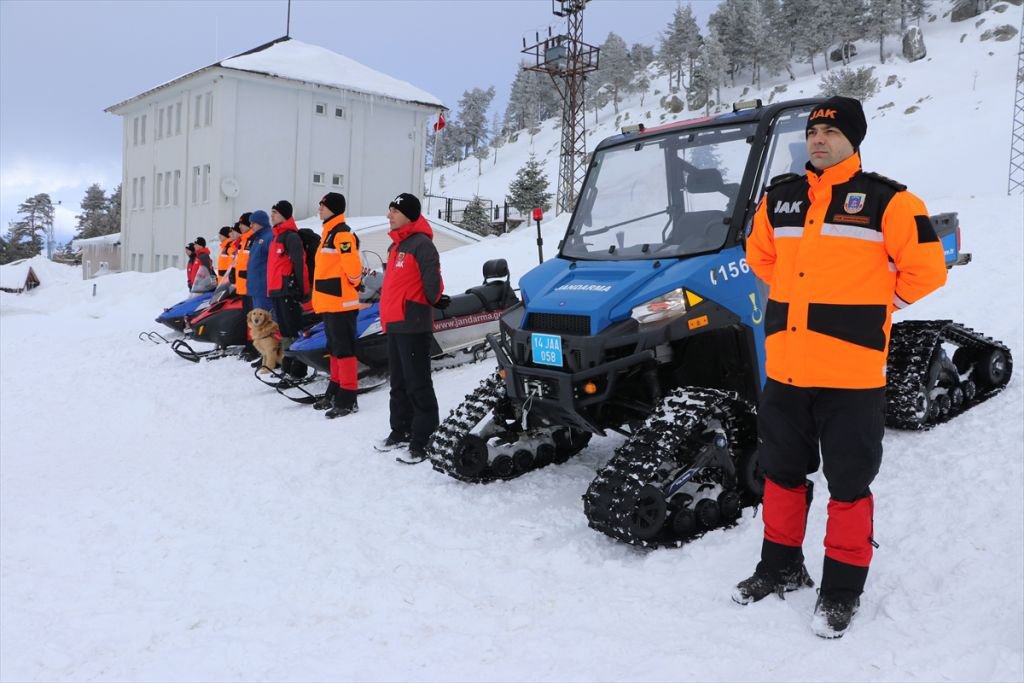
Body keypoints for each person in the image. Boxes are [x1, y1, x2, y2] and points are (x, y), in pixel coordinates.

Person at [736, 96, 948, 638]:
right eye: (813, 131)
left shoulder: (889, 202)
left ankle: (841, 591)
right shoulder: (780, 200)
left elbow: (927, 270)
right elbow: (759, 256)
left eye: (831, 131)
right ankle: (779, 567)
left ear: (853, 140)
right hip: (785, 370)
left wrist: (879, 306)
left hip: (850, 376)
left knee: (849, 485)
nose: (819, 139)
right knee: (782, 476)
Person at [379, 193, 444, 460]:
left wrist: (423, 302)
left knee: (418, 383)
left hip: (413, 324)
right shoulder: (396, 246)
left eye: (394, 210)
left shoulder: (422, 245)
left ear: (409, 214)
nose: (389, 215)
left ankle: (424, 438)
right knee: (398, 382)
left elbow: (434, 288)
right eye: (390, 209)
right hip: (394, 323)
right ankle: (401, 430)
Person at [311, 192, 363, 418]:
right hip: (329, 302)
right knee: (334, 348)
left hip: (341, 302)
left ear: (334, 208)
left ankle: (348, 397)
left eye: (324, 205)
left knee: (344, 349)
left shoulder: (341, 234)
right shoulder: (329, 233)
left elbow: (352, 266)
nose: (320, 208)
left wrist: (354, 282)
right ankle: (335, 387)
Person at [266, 200, 310, 380]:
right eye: (272, 212)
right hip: (277, 291)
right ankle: (287, 365)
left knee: (294, 330)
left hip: (288, 291)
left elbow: (300, 265)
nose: (272, 215)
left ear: (284, 214)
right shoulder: (276, 236)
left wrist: (302, 289)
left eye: (275, 212)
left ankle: (298, 370)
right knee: (284, 331)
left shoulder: (291, 237)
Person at [246, 210, 275, 319]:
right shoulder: (257, 239)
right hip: (256, 287)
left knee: (265, 321)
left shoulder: (269, 237)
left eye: (253, 223)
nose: (251, 225)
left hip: (263, 287)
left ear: (261, 222)